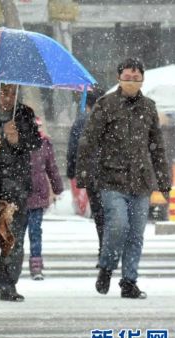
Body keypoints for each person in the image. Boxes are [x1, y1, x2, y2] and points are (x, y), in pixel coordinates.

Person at [76, 58, 172, 299]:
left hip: (141, 181)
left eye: (136, 78)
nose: (132, 82)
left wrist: (163, 178)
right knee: (118, 226)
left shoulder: (149, 107)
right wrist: (84, 173)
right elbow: (89, 141)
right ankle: (107, 266)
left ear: (142, 79)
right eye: (127, 77)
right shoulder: (105, 105)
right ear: (119, 78)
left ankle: (129, 280)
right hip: (111, 179)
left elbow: (157, 146)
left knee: (136, 234)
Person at [0, 83, 42, 301]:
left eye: (13, 93)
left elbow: (35, 142)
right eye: (4, 92)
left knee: (12, 239)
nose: (9, 97)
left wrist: (17, 140)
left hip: (15, 186)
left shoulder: (24, 114)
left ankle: (8, 285)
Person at [67, 88, 105, 264]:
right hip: (110, 173)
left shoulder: (81, 121)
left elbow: (73, 147)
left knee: (99, 214)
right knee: (110, 213)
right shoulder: (108, 118)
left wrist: (71, 170)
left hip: (91, 174)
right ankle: (109, 248)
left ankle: (104, 248)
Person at [26, 120, 63, 280]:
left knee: (35, 231)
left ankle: (36, 264)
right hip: (20, 194)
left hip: (38, 194)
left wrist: (57, 187)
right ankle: (11, 265)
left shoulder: (45, 144)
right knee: (17, 234)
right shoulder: (19, 141)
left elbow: (51, 167)